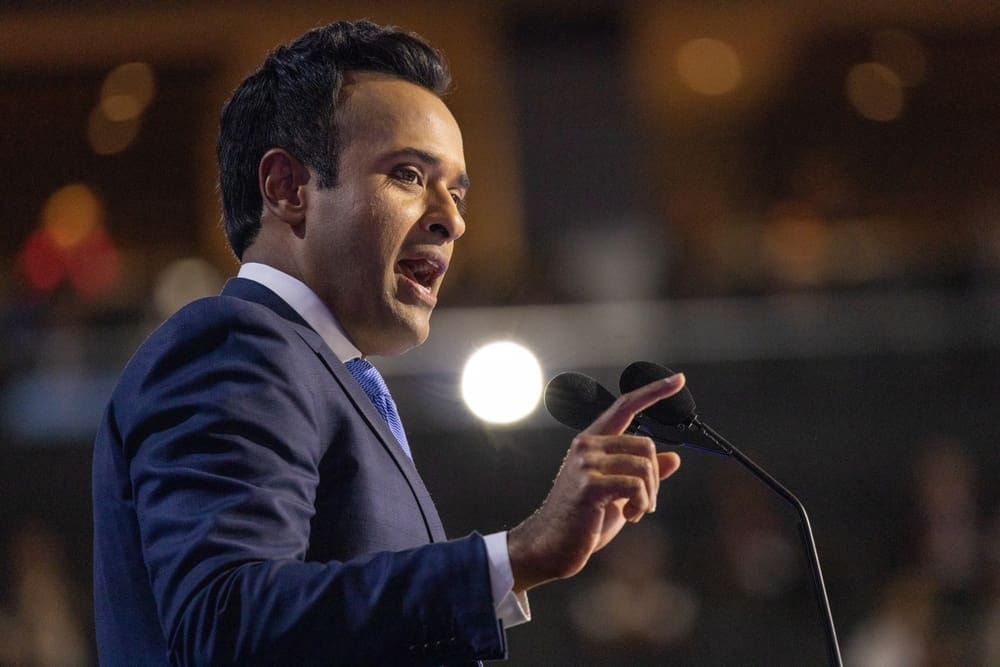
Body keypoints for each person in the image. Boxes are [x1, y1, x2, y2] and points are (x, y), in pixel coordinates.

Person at [92, 19, 684, 666]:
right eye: (408, 174)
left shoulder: (336, 380)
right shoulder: (234, 345)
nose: (453, 219)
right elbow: (225, 622)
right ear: (289, 188)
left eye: (456, 191)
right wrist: (515, 555)